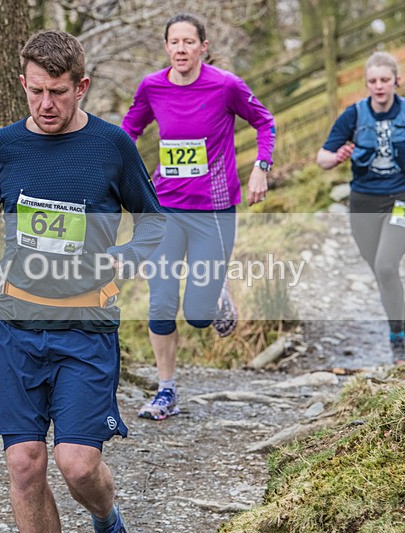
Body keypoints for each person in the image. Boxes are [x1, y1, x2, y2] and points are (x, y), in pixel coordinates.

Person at [0, 30, 164, 533]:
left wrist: (129, 254)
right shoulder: (2, 148)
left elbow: (155, 221)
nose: (45, 103)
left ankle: (107, 516)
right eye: (35, 91)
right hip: (17, 325)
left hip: (87, 325)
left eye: (57, 91)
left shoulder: (111, 145)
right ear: (23, 83)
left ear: (82, 87)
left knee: (77, 465)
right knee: (25, 464)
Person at [121, 13, 276, 420]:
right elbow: (128, 131)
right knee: (160, 303)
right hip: (166, 208)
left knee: (198, 315)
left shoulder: (226, 85)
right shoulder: (152, 87)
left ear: (203, 47)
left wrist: (262, 165)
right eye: (175, 42)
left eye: (190, 42)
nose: (181, 49)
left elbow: (264, 121)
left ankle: (217, 292)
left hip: (214, 212)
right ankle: (166, 390)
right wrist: (114, 172)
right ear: (167, 47)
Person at [317, 51, 405, 363]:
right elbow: (322, 158)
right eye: (373, 81)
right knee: (384, 273)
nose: (379, 86)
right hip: (364, 202)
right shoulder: (353, 115)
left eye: (385, 80)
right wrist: (336, 158)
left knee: (385, 266)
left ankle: (396, 340)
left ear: (397, 80)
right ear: (366, 84)